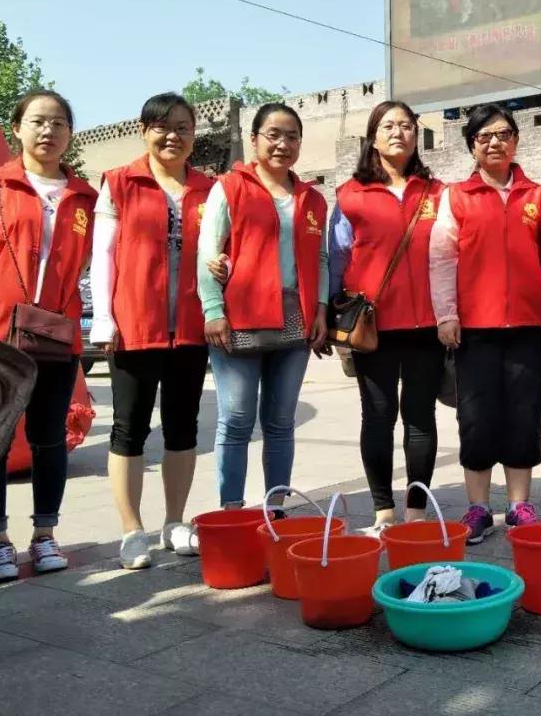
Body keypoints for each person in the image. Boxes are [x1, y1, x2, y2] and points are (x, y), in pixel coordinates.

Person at [0, 89, 97, 582]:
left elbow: (85, 266)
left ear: (69, 133)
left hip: (54, 335)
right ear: (17, 127)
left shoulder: (84, 197)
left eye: (59, 122)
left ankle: (46, 535)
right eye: (38, 121)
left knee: (48, 439)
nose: (48, 131)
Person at [90, 93, 213, 569]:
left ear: (193, 134)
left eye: (183, 127)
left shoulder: (208, 187)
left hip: (190, 328)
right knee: (129, 428)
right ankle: (131, 530)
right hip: (134, 327)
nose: (173, 136)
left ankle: (175, 521)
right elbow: (102, 255)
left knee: (183, 427)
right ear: (144, 130)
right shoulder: (120, 183)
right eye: (162, 127)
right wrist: (104, 315)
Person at [198, 103, 328, 511]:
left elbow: (321, 259)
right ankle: (232, 510)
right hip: (240, 318)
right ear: (254, 140)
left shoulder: (312, 198)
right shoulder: (229, 187)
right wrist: (213, 309)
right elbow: (208, 250)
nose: (283, 144)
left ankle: (276, 508)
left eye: (292, 136)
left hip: (296, 321)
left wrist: (320, 308)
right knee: (236, 419)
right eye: (273, 134)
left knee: (280, 422)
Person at [429, 104, 541, 544]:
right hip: (473, 328)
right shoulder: (456, 197)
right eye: (484, 137)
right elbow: (442, 258)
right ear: (472, 147)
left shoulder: (537, 195)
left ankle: (519, 506)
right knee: (476, 417)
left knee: (523, 414)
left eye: (503, 134)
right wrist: (447, 314)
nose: (494, 142)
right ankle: (478, 508)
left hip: (528, 325)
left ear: (516, 140)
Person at [329, 101, 445, 534]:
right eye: (388, 126)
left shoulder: (436, 192)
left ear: (417, 135)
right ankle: (382, 512)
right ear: (373, 136)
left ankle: (416, 511)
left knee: (420, 418)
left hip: (427, 326)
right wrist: (332, 317)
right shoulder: (349, 194)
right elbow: (337, 260)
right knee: (377, 416)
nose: (398, 132)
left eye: (406, 126)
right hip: (372, 328)